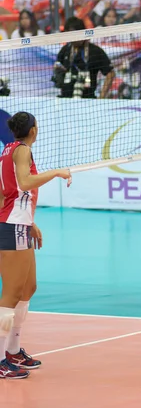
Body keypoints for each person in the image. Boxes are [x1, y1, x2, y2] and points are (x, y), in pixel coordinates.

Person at [0, 111, 71, 379]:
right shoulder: (22, 152)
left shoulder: (9, 149)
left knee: (29, 287)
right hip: (11, 226)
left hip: (18, 224)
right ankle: (0, 360)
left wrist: (29, 222)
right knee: (12, 293)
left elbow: (6, 192)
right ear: (33, 130)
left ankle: (13, 351)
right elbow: (25, 182)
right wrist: (56, 173)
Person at [53, 16, 115, 98]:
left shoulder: (95, 51)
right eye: (69, 35)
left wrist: (102, 97)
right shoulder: (65, 50)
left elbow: (110, 73)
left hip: (88, 100)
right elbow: (57, 67)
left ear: (82, 32)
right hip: (66, 99)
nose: (73, 39)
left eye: (75, 34)